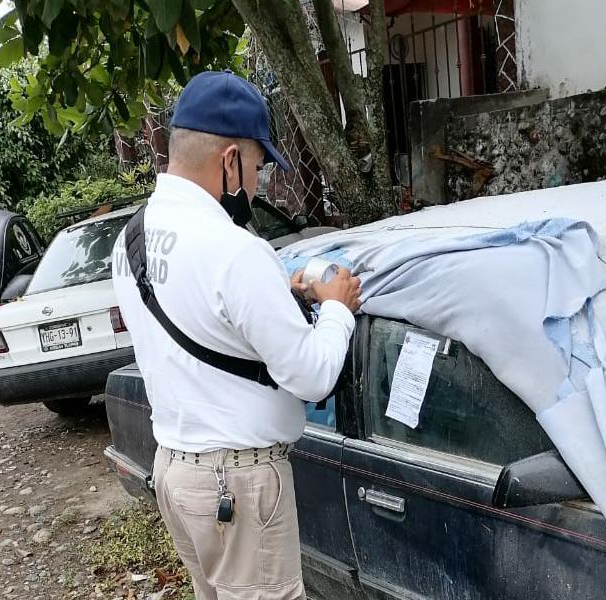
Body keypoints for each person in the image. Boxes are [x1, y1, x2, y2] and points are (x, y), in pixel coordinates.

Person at [111, 70, 361, 600]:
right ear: (230, 161)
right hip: (239, 487)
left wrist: (282, 294)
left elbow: (205, 319)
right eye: (258, 166)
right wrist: (337, 308)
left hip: (176, 475)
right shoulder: (237, 251)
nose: (259, 182)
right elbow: (314, 375)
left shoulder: (130, 238)